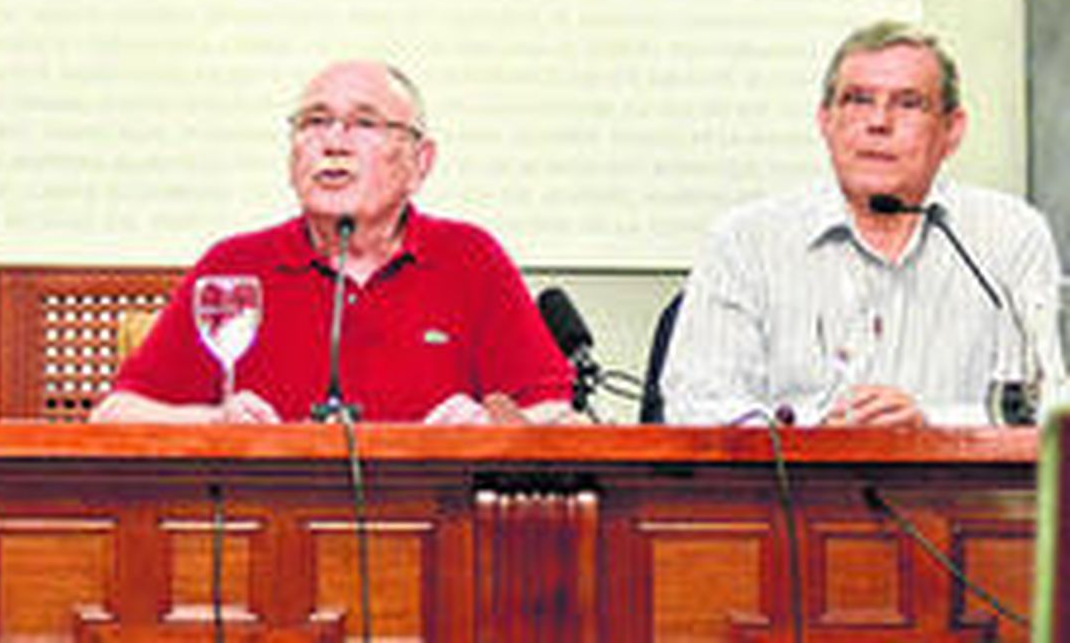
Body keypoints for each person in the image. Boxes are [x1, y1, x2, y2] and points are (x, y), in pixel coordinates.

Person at [92, 60, 574, 424]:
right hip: (269, 539)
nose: (334, 142)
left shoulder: (470, 258)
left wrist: (490, 428)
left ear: (420, 162)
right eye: (314, 122)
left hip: (437, 540)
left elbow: (557, 415)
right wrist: (212, 423)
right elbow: (116, 413)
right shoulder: (235, 265)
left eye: (364, 124)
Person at [664, 21, 1064, 426]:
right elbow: (695, 407)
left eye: (908, 103)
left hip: (958, 489)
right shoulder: (746, 241)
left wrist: (931, 426)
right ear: (826, 121)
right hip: (794, 488)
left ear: (951, 131)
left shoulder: (1010, 237)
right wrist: (822, 429)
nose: (879, 122)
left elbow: (1052, 406)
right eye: (857, 101)